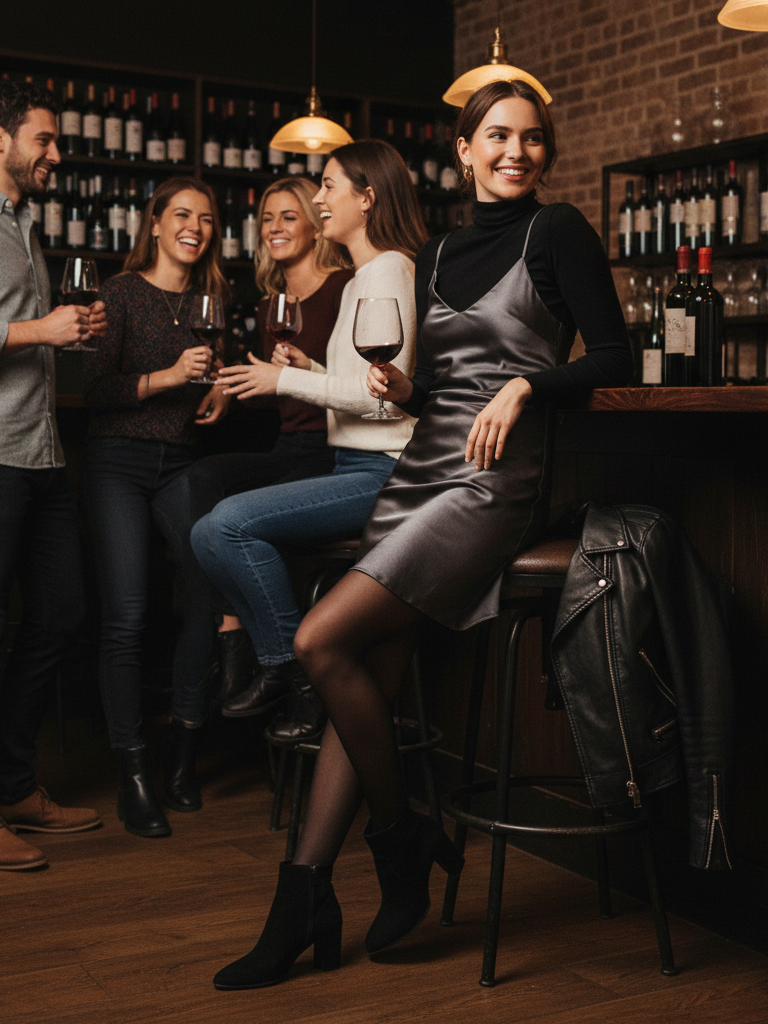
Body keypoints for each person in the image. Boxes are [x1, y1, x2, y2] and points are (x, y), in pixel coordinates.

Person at [208, 81, 633, 989]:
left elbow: (612, 356)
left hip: (491, 482)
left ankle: (402, 841)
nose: (516, 151)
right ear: (464, 151)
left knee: (322, 638)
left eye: (532, 138)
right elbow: (431, 386)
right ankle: (306, 892)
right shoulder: (435, 253)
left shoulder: (556, 232)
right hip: (419, 473)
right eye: (498, 137)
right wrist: (402, 390)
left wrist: (526, 387)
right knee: (366, 673)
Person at [190, 139, 426, 748]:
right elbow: (365, 385)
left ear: (366, 198)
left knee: (224, 527)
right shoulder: (360, 281)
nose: (318, 199)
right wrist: (313, 370)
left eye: (328, 186)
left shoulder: (389, 269)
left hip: (383, 471)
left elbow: (385, 398)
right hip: (355, 461)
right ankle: (289, 666)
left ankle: (292, 669)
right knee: (207, 529)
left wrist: (284, 379)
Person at [82, 176, 230, 839]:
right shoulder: (118, 293)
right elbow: (94, 389)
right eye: (182, 215)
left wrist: (220, 389)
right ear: (155, 223)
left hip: (182, 462)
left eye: (205, 217)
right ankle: (133, 772)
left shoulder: (210, 297)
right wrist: (168, 378)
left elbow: (212, 372)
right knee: (129, 613)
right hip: (118, 459)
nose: (194, 226)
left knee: (204, 594)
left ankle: (182, 756)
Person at [188, 177, 353, 714]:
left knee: (235, 521)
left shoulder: (344, 287)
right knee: (204, 481)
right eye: (267, 219)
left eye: (288, 216)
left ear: (313, 222)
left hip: (333, 451)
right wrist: (228, 388)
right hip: (290, 447)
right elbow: (275, 395)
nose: (275, 228)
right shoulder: (270, 306)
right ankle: (232, 624)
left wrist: (293, 375)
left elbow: (358, 388)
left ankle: (278, 665)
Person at [0, 80, 105, 871]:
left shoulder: (27, 224)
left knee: (62, 614)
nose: (56, 154)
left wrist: (66, 333)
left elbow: (25, 335)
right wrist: (42, 327)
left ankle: (11, 785)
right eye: (44, 139)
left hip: (42, 451)